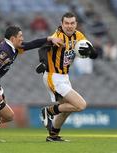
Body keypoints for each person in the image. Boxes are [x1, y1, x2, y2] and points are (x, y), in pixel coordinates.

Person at [0, 25, 63, 142]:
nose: (22, 38)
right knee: (8, 116)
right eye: (20, 36)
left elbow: (31, 44)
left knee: (1, 111)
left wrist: (49, 39)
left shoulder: (12, 47)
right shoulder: (5, 50)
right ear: (13, 39)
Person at [38, 12, 98, 142]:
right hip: (53, 76)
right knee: (80, 105)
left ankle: (53, 136)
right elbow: (42, 49)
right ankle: (48, 111)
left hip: (64, 77)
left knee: (66, 110)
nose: (69, 26)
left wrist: (90, 52)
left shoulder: (79, 35)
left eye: (72, 23)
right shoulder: (57, 37)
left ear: (76, 24)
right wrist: (43, 62)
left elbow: (93, 54)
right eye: (67, 23)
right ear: (62, 24)